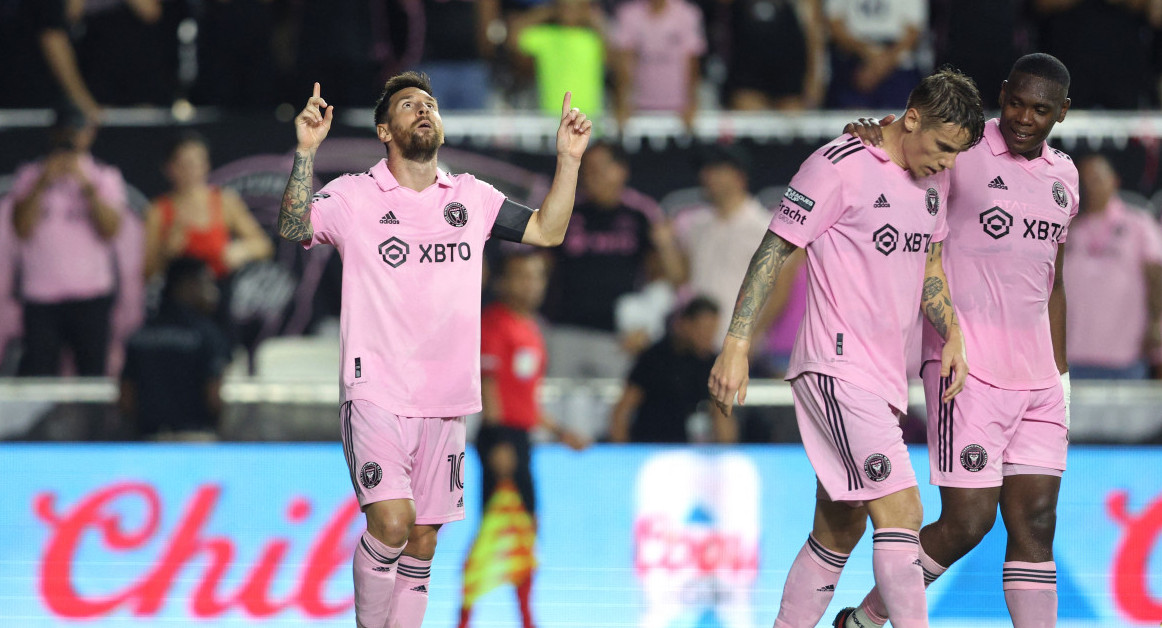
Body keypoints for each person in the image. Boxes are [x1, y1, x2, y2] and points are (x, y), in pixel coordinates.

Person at [276, 73, 591, 628]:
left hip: (446, 402)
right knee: (393, 523)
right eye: (407, 105)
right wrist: (305, 152)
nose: (423, 110)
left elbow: (547, 231)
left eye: (430, 103)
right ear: (384, 130)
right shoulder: (354, 195)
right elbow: (293, 223)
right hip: (375, 391)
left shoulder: (471, 196)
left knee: (422, 541)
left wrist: (568, 160)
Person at [708, 68, 985, 628]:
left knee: (840, 526)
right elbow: (773, 249)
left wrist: (951, 331)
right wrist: (735, 344)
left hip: (882, 376)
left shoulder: (933, 177)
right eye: (943, 147)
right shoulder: (837, 165)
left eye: (958, 153)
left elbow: (929, 263)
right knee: (903, 512)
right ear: (911, 119)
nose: (948, 163)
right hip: (836, 367)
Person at [836, 53, 1078, 628]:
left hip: (1039, 377)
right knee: (969, 522)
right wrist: (868, 136)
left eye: (1040, 109)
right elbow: (901, 150)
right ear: (1001, 93)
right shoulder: (963, 150)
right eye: (1015, 101)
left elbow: (1055, 282)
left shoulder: (1064, 177)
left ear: (1062, 113)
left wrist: (1063, 377)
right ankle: (869, 620)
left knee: (1037, 522)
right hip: (964, 367)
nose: (1023, 117)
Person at [459, 249, 587, 628]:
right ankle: (469, 617)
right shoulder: (495, 323)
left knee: (522, 530)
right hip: (502, 440)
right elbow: (491, 386)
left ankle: (522, 617)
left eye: (536, 276)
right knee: (499, 531)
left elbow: (525, 399)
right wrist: (499, 441)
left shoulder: (530, 327)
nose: (530, 284)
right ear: (504, 282)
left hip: (519, 439)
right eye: (521, 276)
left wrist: (560, 432)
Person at [9, 107, 129, 377]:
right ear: (54, 133)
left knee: (92, 376)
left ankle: (94, 423)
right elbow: (20, 228)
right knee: (38, 375)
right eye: (65, 131)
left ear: (89, 135)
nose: (71, 138)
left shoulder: (104, 176)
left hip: (91, 295)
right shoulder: (30, 175)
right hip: (41, 295)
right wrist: (42, 183)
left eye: (77, 131)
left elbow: (110, 229)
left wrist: (86, 186)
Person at [1064, 153, 1162, 380]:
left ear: (1115, 180)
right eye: (1084, 181)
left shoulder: (1139, 224)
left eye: (1097, 178)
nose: (1090, 187)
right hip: (1069, 358)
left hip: (1127, 358)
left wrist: (1157, 330)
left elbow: (1157, 279)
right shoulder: (1066, 226)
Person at [673, 144, 776, 346]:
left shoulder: (765, 227)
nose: (706, 176)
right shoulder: (695, 225)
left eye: (716, 169)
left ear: (739, 176)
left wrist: (752, 339)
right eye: (705, 170)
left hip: (739, 345)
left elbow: (780, 291)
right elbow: (683, 280)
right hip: (697, 344)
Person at [120, 257, 230, 439]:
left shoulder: (140, 334)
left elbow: (126, 399)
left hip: (147, 444)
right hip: (195, 442)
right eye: (206, 283)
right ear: (186, 285)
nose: (212, 292)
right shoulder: (207, 335)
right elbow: (214, 398)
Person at [143, 133, 273, 280]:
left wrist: (242, 249)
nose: (191, 171)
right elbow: (146, 272)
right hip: (179, 296)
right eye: (184, 164)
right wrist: (166, 253)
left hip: (219, 292)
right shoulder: (157, 211)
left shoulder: (225, 201)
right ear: (170, 168)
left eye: (197, 163)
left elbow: (263, 245)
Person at [610, 296, 736, 443]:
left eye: (713, 330)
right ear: (685, 325)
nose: (708, 337)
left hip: (693, 451)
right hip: (650, 446)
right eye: (703, 329)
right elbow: (623, 410)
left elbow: (721, 414)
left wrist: (728, 452)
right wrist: (624, 454)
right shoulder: (655, 358)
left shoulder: (712, 363)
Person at [610, 0, 706, 129]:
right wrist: (622, 103)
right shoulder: (629, 14)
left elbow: (692, 63)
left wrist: (691, 103)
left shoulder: (687, 13)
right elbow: (624, 64)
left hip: (678, 109)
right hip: (638, 107)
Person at [825, 0, 928, 108]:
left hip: (896, 63)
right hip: (853, 60)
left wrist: (881, 64)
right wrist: (868, 53)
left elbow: (914, 31)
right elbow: (834, 23)